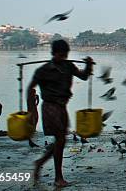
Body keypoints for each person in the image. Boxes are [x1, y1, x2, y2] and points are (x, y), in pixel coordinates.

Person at [27, 39, 94, 187]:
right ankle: (58, 178)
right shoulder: (43, 70)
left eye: (65, 55)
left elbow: (83, 76)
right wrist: (30, 111)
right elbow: (29, 89)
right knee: (60, 140)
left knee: (60, 140)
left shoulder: (68, 66)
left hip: (62, 107)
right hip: (50, 107)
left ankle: (40, 162)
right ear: (54, 53)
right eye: (60, 54)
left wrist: (88, 66)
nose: (63, 57)